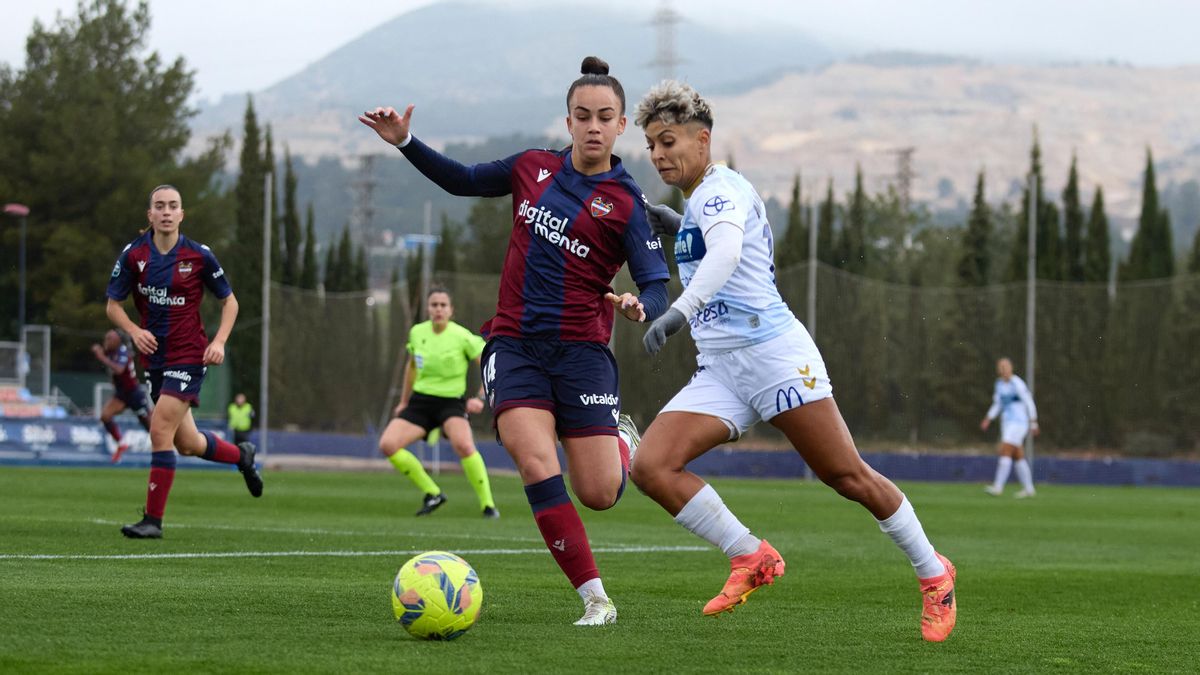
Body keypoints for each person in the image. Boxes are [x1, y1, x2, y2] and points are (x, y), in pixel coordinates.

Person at [630, 81, 957, 642]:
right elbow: (712, 241)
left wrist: (678, 311)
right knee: (651, 467)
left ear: (702, 140)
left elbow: (728, 251)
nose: (659, 155)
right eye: (652, 146)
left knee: (846, 476)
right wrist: (677, 225)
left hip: (774, 357)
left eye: (669, 141)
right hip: (723, 370)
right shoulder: (701, 200)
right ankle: (750, 556)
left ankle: (935, 574)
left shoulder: (718, 193)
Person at [359, 56, 670, 626]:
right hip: (515, 345)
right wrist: (406, 142)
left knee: (599, 492)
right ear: (568, 120)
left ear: (622, 124)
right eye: (583, 116)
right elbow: (463, 179)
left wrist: (638, 306)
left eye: (605, 117)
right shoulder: (532, 166)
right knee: (533, 461)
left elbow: (656, 285)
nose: (593, 126)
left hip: (583, 353)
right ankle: (595, 599)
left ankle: (622, 442)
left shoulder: (627, 204)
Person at [105, 184, 264, 539]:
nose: (165, 211)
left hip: (189, 353)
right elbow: (113, 305)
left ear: (181, 214)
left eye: (172, 206)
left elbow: (230, 302)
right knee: (186, 443)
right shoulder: (134, 256)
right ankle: (243, 457)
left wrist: (219, 341)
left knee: (159, 429)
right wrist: (133, 329)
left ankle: (153, 521)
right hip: (155, 358)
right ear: (150, 215)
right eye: (159, 206)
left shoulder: (199, 256)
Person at [379, 286, 499, 519]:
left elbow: (489, 362)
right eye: (434, 305)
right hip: (420, 402)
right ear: (427, 309)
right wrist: (404, 402)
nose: (438, 309)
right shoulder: (418, 332)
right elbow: (411, 367)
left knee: (464, 445)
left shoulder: (462, 336)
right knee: (388, 444)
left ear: (451, 310)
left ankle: (488, 505)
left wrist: (481, 397)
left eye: (443, 305)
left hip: (451, 403)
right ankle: (432, 493)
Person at [981, 357, 1039, 498]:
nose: (1003, 369)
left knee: (1005, 449)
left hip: (1019, 423)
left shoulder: (1017, 383)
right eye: (1001, 367)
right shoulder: (999, 384)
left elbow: (1029, 401)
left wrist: (1033, 421)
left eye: (1006, 366)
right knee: (1018, 456)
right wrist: (988, 418)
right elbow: (998, 404)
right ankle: (1029, 488)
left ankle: (998, 487)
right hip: (1007, 424)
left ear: (1011, 368)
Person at [91, 329, 151, 463]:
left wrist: (102, 357)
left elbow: (119, 369)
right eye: (106, 338)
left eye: (110, 339)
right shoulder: (110, 352)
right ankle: (121, 443)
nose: (107, 341)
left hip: (134, 393)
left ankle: (165, 447)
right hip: (122, 394)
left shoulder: (122, 351)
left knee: (148, 425)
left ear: (118, 341)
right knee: (105, 416)